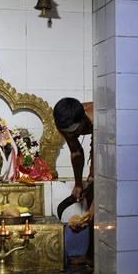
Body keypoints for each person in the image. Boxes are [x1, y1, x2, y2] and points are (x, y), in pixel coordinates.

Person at [53, 98, 94, 232]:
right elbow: (76, 152)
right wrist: (78, 184)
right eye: (67, 132)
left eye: (74, 130)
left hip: (107, 141)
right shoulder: (63, 123)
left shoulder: (98, 118)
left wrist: (93, 176)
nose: (72, 135)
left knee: (95, 180)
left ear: (83, 119)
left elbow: (102, 156)